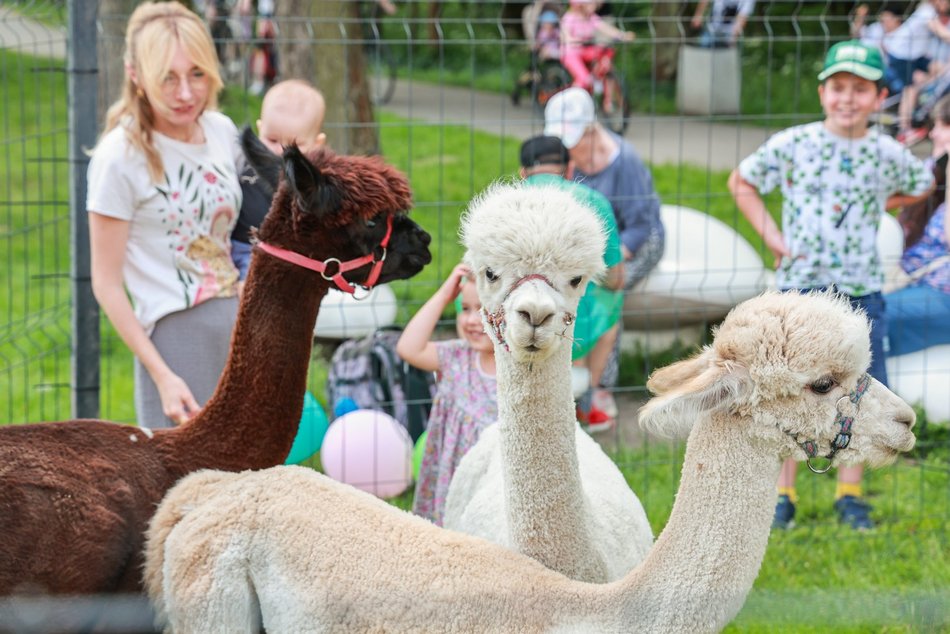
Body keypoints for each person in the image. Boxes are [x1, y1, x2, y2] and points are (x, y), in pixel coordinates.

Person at [728, 40, 934, 530]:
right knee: (792, 391)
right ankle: (782, 494)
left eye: (860, 89)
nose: (847, 98)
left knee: (859, 387)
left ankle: (850, 491)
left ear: (879, 95)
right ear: (823, 93)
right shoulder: (795, 143)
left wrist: (875, 202)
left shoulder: (886, 153)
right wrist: (772, 237)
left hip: (860, 291)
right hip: (800, 292)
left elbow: (920, 185)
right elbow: (742, 181)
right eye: (838, 87)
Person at [86, 1, 245, 429]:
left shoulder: (221, 131)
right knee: (189, 488)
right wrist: (163, 375)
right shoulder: (119, 158)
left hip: (239, 321)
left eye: (197, 73)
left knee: (251, 480)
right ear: (136, 75)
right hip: (177, 339)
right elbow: (106, 284)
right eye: (168, 78)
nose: (187, 93)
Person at [544, 87, 665, 415]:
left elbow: (641, 226)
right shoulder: (570, 163)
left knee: (608, 290)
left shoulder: (623, 161)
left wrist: (608, 259)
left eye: (573, 140)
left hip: (634, 242)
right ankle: (564, 375)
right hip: (589, 248)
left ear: (591, 130)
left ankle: (599, 388)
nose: (567, 148)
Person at [518, 135, 623, 431]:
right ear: (568, 169)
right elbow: (615, 278)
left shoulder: (508, 200)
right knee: (611, 302)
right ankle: (582, 397)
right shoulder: (593, 203)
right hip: (572, 320)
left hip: (515, 314)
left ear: (523, 173)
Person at [397, 264, 498, 526]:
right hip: (450, 480)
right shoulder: (457, 357)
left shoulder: (520, 372)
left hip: (491, 484)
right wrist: (444, 295)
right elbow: (409, 348)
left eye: (484, 310)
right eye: (465, 309)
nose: (472, 320)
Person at [231, 79, 327, 283]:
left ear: (317, 144)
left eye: (295, 145)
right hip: (237, 249)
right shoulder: (241, 162)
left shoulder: (312, 182)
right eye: (272, 140)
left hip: (286, 257)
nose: (280, 152)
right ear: (259, 130)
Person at [887, 94, 950, 355]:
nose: (933, 134)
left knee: (867, 317)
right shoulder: (932, 169)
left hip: (941, 295)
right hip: (905, 280)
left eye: (943, 125)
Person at [559, 0, 634, 93]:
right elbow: (564, 35)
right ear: (580, 5)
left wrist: (622, 35)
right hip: (571, 53)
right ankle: (572, 98)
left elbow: (606, 28)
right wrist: (572, 40)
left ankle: (597, 79)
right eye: (590, 3)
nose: (595, 5)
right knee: (584, 79)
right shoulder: (569, 18)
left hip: (585, 51)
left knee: (605, 52)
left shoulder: (591, 18)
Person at [690, 0, 756, 48]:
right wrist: (698, 15)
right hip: (710, 30)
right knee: (704, 58)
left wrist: (733, 37)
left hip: (729, 34)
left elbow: (743, 16)